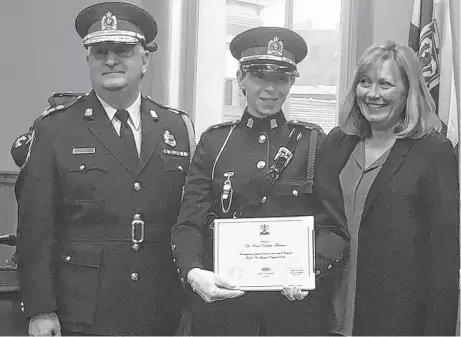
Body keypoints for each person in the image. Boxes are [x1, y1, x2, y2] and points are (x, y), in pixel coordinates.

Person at [14, 2, 195, 336]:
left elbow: (188, 219)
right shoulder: (55, 129)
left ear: (144, 60)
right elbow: (35, 229)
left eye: (123, 50)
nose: (111, 60)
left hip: (160, 305)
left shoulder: (176, 126)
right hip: (82, 307)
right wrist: (40, 309)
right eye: (100, 52)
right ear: (88, 61)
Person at [171, 27, 349, 336]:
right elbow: (189, 223)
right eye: (259, 77)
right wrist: (193, 271)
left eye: (280, 79)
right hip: (225, 313)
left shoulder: (312, 143)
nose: (270, 89)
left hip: (294, 315)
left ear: (292, 82)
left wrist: (310, 271)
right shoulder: (215, 142)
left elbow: (334, 229)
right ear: (241, 79)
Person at [315, 41, 459, 336]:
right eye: (364, 83)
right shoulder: (335, 144)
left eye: (385, 84)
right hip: (326, 314)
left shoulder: (433, 152)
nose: (372, 94)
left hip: (396, 319)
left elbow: (444, 257)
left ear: (409, 90)